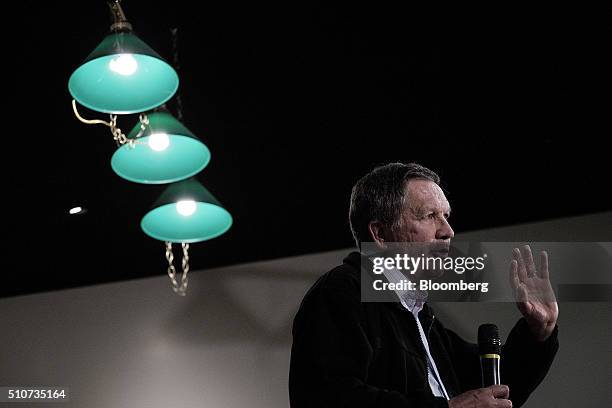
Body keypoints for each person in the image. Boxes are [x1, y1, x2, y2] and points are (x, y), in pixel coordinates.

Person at [289, 162, 559, 408]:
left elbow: (493, 393)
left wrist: (538, 331)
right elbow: (326, 398)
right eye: (429, 215)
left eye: (446, 216)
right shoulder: (341, 292)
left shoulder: (420, 317)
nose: (448, 231)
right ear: (381, 234)